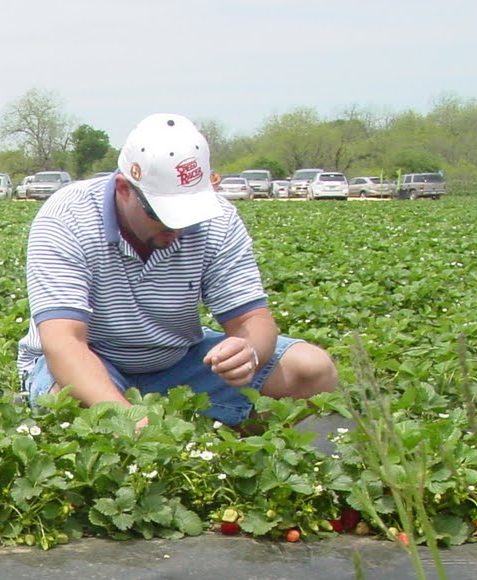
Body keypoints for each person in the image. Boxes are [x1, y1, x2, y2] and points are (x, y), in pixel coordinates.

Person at [17, 113, 337, 428]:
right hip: (93, 357)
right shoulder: (68, 216)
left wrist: (249, 352)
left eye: (189, 211)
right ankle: (164, 438)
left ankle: (224, 451)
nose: (178, 227)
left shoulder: (218, 220)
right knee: (69, 402)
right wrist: (128, 420)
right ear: (124, 189)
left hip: (178, 362)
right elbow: (64, 343)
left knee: (311, 369)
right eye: (162, 213)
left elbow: (251, 319)